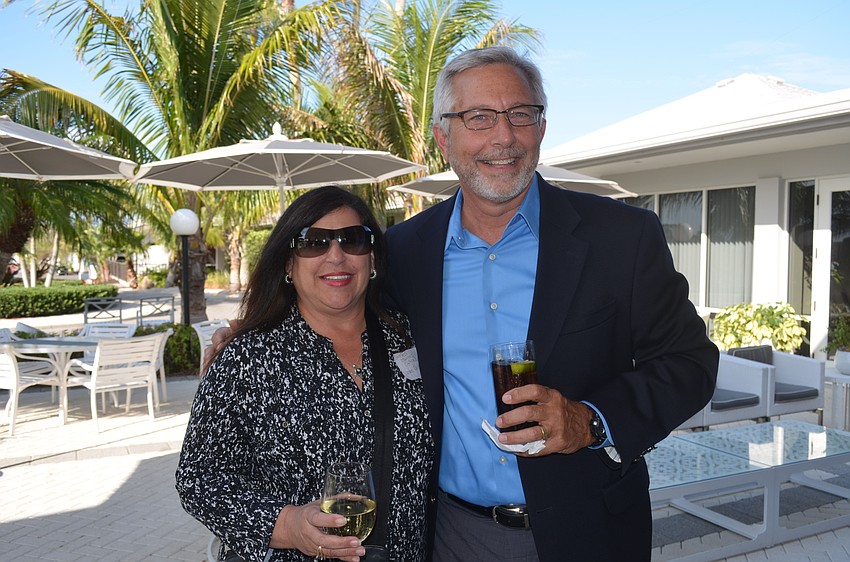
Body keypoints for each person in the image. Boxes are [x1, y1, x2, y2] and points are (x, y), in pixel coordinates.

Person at [381, 46, 718, 561]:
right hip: (450, 534)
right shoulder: (405, 251)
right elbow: (346, 321)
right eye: (479, 118)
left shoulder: (621, 238)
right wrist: (258, 330)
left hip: (590, 532)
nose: (504, 136)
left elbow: (691, 363)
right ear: (443, 137)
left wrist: (591, 419)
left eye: (521, 115)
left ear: (541, 128)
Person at [176, 186, 434, 562]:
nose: (336, 255)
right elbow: (199, 478)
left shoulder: (409, 338)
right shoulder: (247, 357)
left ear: (372, 257)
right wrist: (288, 524)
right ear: (287, 263)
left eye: (353, 240)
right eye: (313, 242)